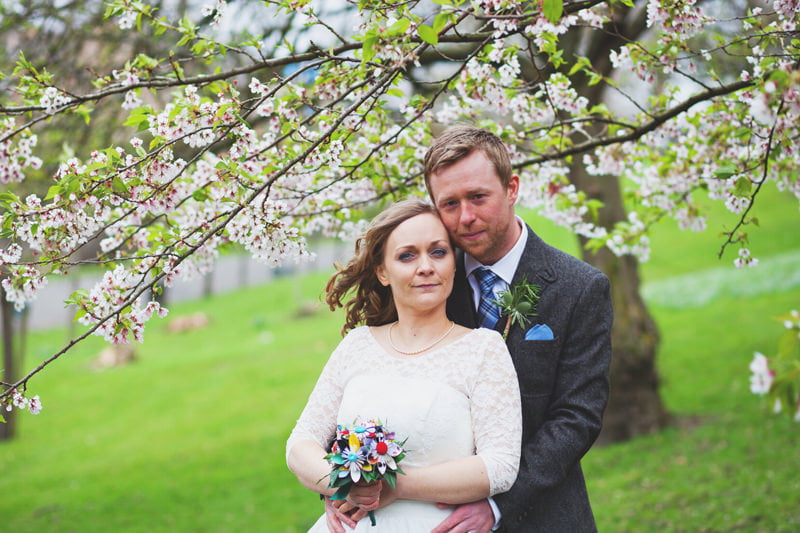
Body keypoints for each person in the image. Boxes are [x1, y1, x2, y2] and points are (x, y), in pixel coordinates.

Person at [286, 198, 522, 532]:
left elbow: (500, 465)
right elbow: (301, 443)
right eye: (407, 255)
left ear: (454, 263)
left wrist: (395, 486)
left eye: (438, 252)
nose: (425, 266)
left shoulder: (482, 349)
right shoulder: (357, 345)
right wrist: (342, 483)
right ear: (383, 271)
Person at [425, 125, 613, 532]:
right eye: (449, 204)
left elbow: (576, 418)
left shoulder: (580, 288)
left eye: (478, 197)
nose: (466, 217)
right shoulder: (425, 282)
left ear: (511, 188)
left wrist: (495, 506)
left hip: (543, 516)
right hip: (430, 516)